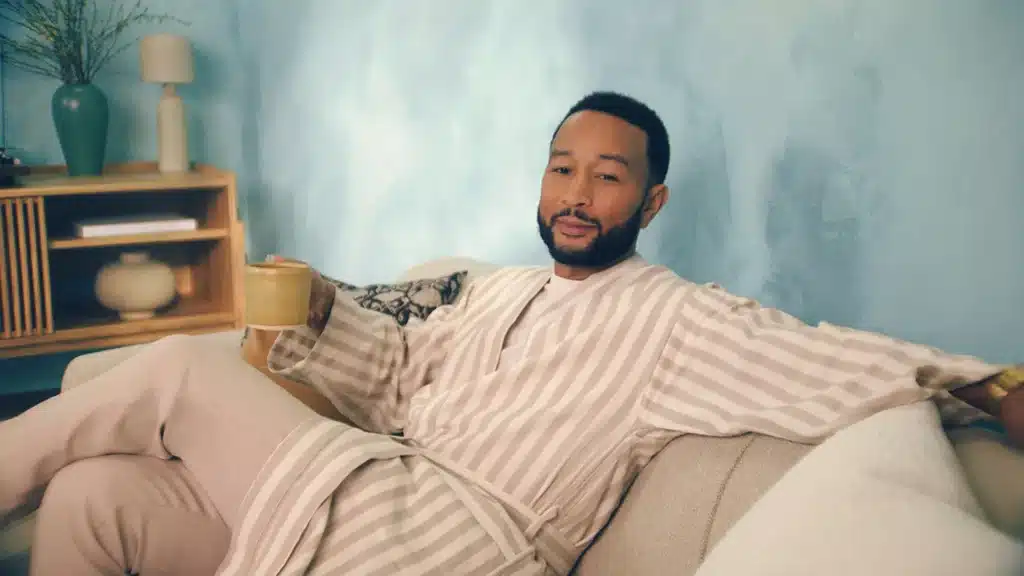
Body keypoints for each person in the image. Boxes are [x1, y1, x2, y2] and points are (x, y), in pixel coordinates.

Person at [2, 91, 1022, 576]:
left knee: (180, 366)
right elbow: (396, 372)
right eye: (562, 167)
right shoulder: (491, 294)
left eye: (608, 175)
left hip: (458, 546)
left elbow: (819, 355)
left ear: (650, 201)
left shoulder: (675, 316)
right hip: (367, 495)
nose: (577, 194)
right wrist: (318, 310)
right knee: (97, 499)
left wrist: (984, 385)